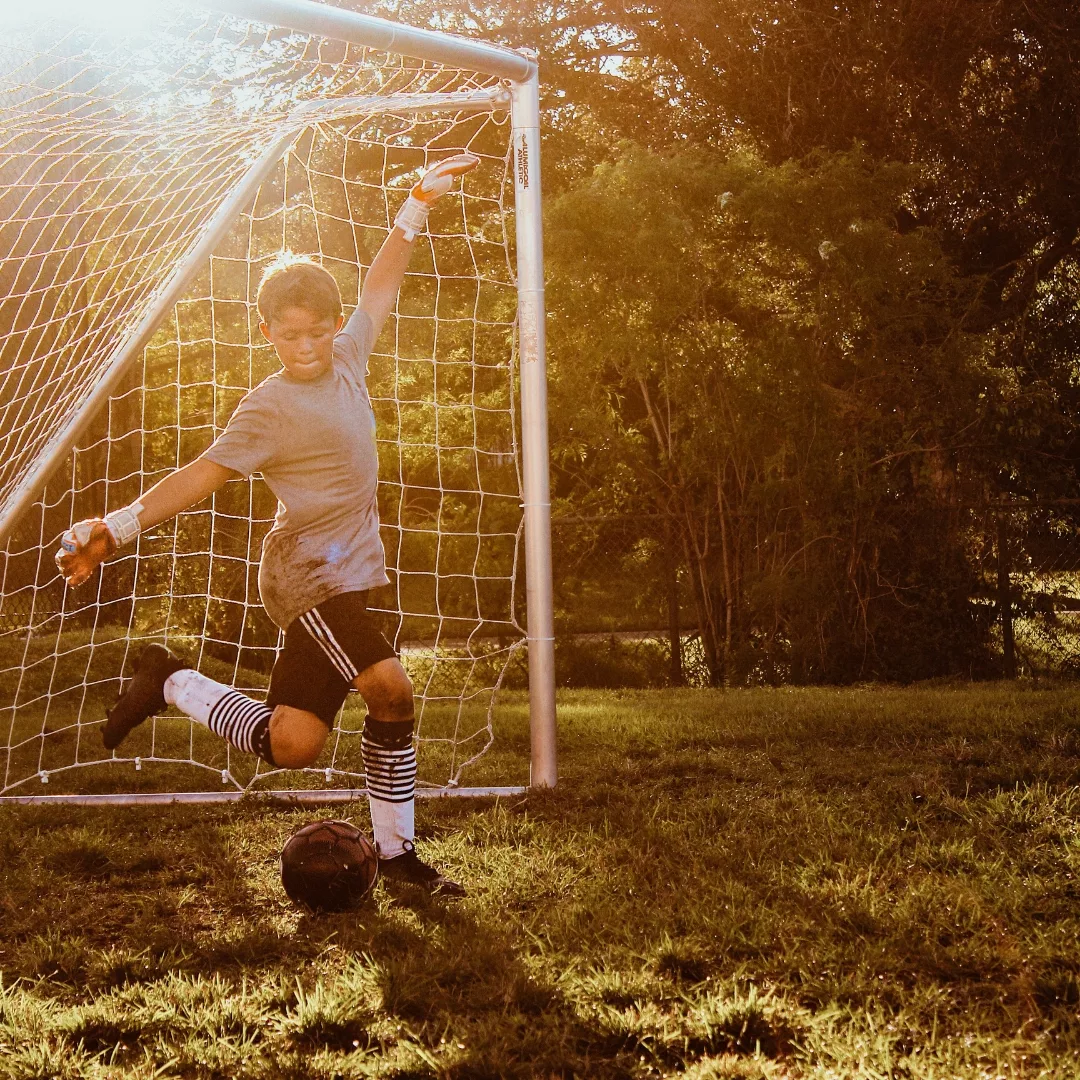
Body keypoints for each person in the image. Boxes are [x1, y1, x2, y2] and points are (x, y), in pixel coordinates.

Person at [55, 153, 481, 898]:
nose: (308, 347)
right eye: (290, 335)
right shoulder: (268, 405)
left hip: (359, 571)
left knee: (293, 743)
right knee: (391, 689)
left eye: (317, 331)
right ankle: (401, 857)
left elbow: (381, 288)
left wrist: (414, 205)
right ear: (267, 333)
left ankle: (171, 683)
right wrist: (116, 527)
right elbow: (202, 474)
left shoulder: (349, 357)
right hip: (309, 574)